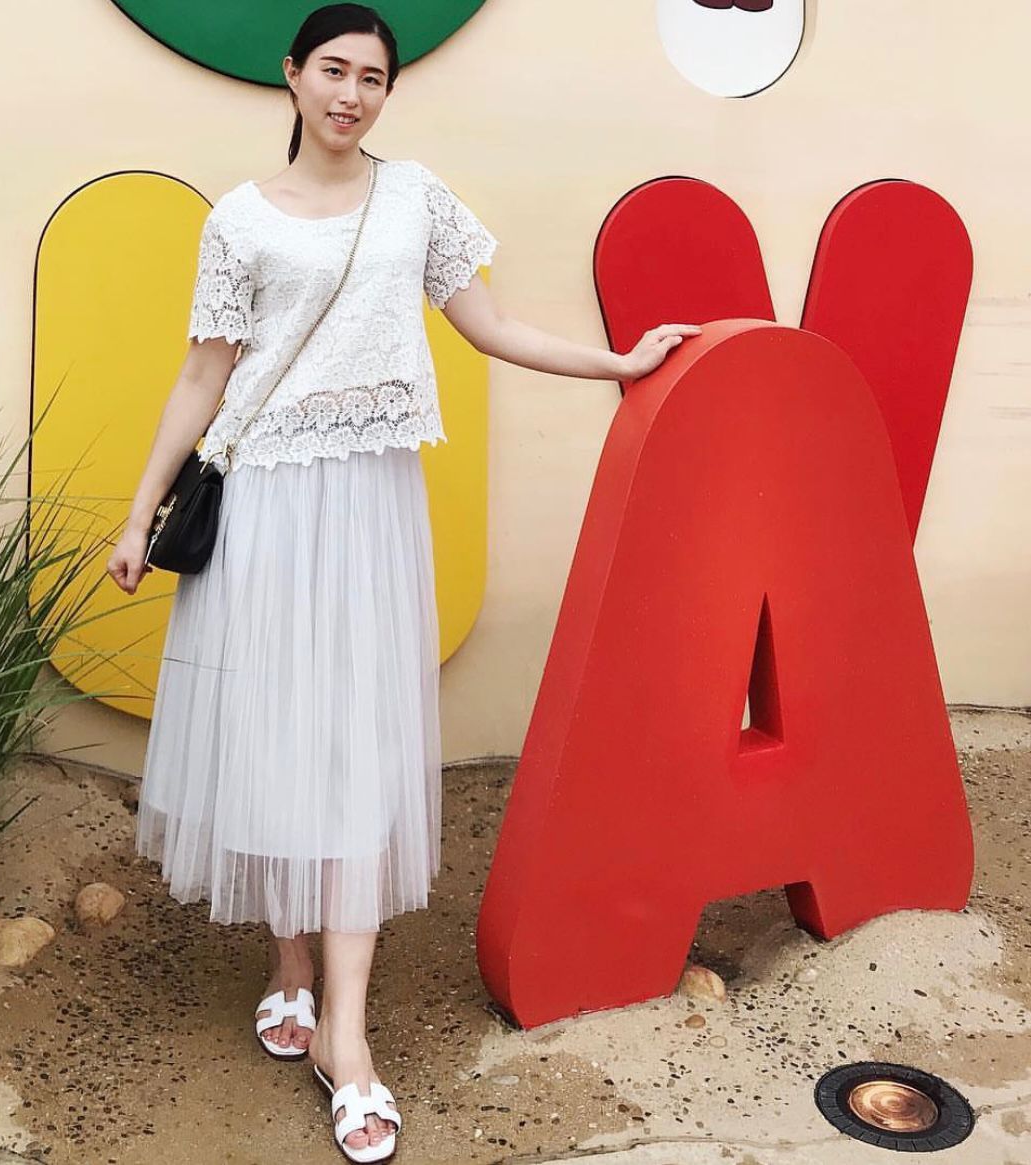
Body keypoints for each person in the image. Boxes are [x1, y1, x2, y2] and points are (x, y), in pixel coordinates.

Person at [106, 4, 700, 1161]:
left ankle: (347, 1036)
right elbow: (201, 377)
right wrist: (139, 516)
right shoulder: (237, 220)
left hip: (368, 510)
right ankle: (286, 962)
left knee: (354, 743)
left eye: (371, 77)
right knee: (276, 732)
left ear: (387, 92)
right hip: (263, 511)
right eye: (332, 70)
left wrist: (614, 362)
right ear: (291, 76)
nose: (350, 93)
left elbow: (487, 325)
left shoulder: (414, 198)